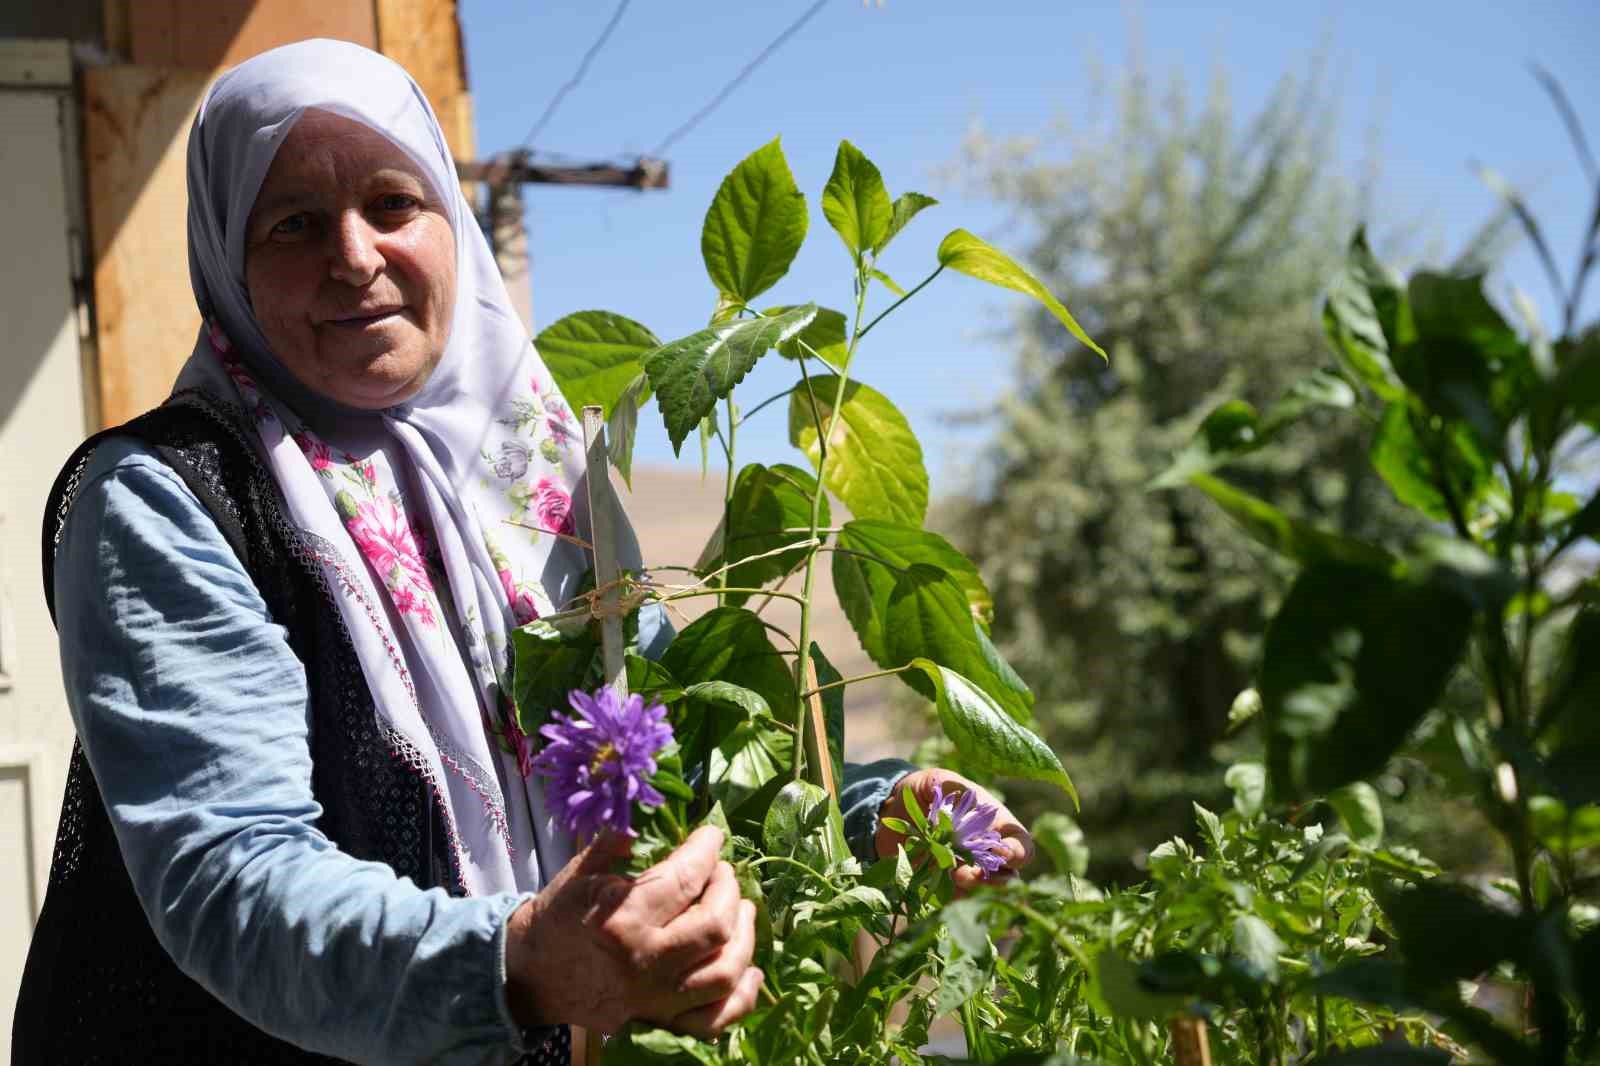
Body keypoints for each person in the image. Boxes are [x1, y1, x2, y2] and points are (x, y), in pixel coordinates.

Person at [13, 39, 1033, 1065]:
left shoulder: (533, 472)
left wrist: (873, 812)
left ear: (452, 227)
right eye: (293, 223)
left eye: (392, 203)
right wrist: (513, 966)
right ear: (226, 260)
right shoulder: (170, 498)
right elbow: (229, 879)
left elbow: (667, 756)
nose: (354, 255)